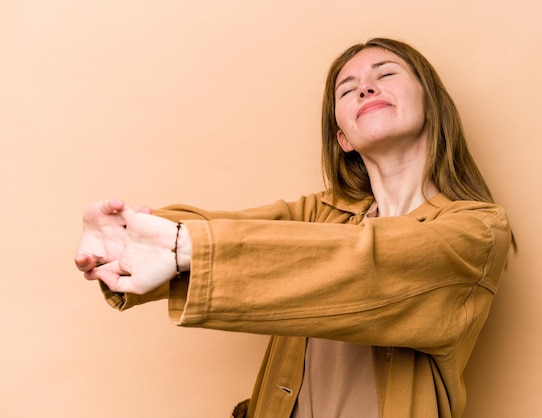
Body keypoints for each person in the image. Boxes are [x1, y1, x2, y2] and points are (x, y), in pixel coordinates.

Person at [75, 37, 515, 418]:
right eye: (348, 90)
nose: (365, 87)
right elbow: (231, 229)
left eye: (386, 74)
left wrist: (179, 247)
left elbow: (366, 267)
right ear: (343, 137)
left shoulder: (475, 230)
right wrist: (133, 237)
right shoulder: (320, 215)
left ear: (431, 104)